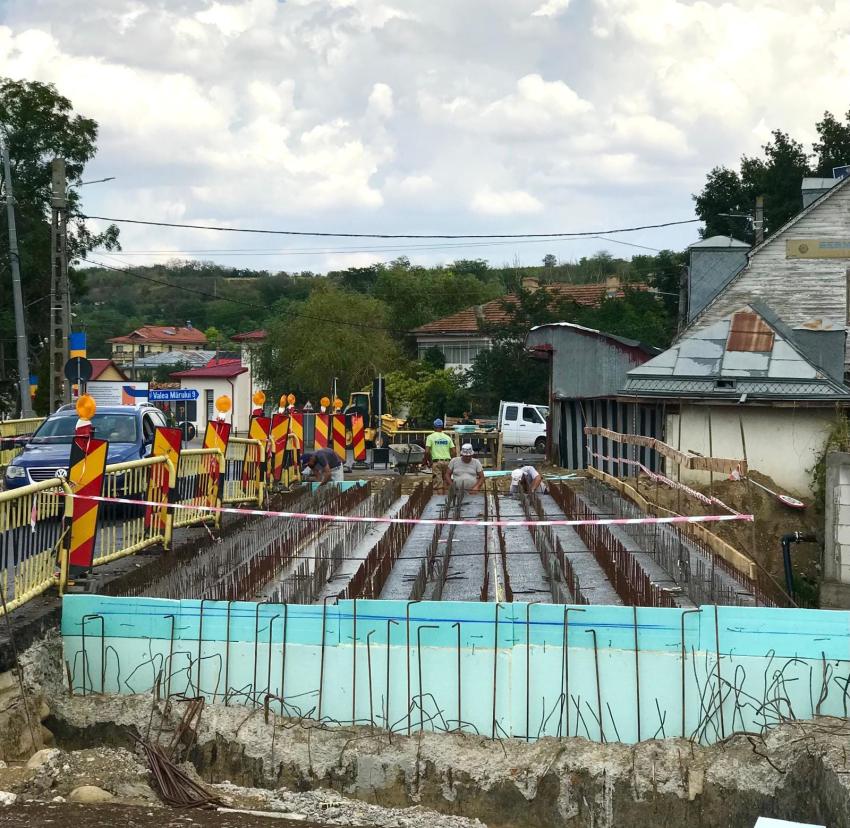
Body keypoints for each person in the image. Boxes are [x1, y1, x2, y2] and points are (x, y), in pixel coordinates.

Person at [425, 418, 455, 492]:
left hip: (436, 462)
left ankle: (439, 498)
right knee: (445, 482)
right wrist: (452, 461)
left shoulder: (430, 437)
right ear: (442, 427)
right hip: (447, 462)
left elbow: (427, 452)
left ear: (434, 427)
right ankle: (445, 498)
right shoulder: (448, 437)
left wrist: (428, 461)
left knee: (439, 486)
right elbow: (454, 452)